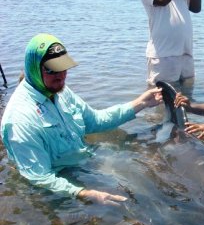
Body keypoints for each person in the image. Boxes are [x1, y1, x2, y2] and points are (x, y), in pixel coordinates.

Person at [0, 33, 163, 205]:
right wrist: (86, 194)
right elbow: (39, 178)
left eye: (63, 67)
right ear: (33, 67)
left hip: (84, 162)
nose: (61, 75)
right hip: (56, 187)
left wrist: (140, 103)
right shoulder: (20, 120)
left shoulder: (59, 91)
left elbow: (96, 121)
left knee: (146, 178)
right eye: (52, 69)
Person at [138, 0, 201, 89]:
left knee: (188, 99)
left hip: (186, 54)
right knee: (162, 102)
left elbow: (196, 8)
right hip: (163, 56)